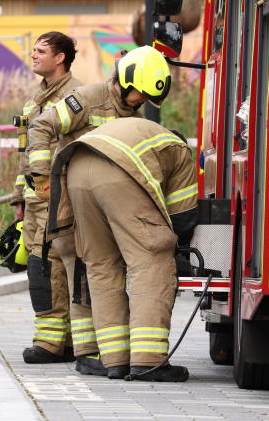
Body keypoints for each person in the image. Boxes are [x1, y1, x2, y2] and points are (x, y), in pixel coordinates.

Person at [25, 45, 172, 376]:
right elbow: (42, 128)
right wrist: (42, 183)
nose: (140, 101)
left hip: (104, 206)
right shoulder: (88, 98)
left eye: (147, 97)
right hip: (70, 201)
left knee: (102, 274)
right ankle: (86, 353)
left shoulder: (134, 116)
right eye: (138, 93)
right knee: (80, 275)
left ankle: (105, 354)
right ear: (124, 79)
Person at [48, 116, 197, 382]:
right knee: (151, 259)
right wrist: (176, 246)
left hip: (76, 167)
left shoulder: (143, 133)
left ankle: (115, 361)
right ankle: (148, 361)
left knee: (100, 264)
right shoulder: (180, 151)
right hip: (119, 169)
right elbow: (183, 217)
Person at [15, 32, 83, 364]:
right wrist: (18, 196)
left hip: (57, 197)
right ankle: (65, 340)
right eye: (34, 50)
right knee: (40, 264)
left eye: (41, 51)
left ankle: (51, 343)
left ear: (60, 58)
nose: (33, 55)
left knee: (48, 266)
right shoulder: (35, 98)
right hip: (33, 200)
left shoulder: (75, 96)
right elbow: (24, 152)